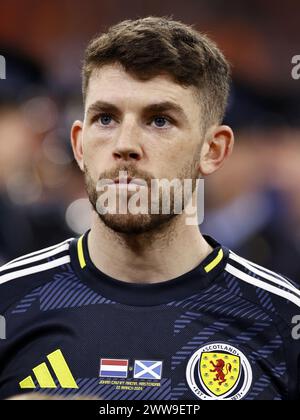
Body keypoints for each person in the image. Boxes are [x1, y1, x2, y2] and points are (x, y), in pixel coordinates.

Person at [0, 17, 299, 401]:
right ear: (78, 144)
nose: (125, 144)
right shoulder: (11, 302)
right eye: (105, 118)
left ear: (214, 150)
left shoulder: (280, 318)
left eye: (159, 120)